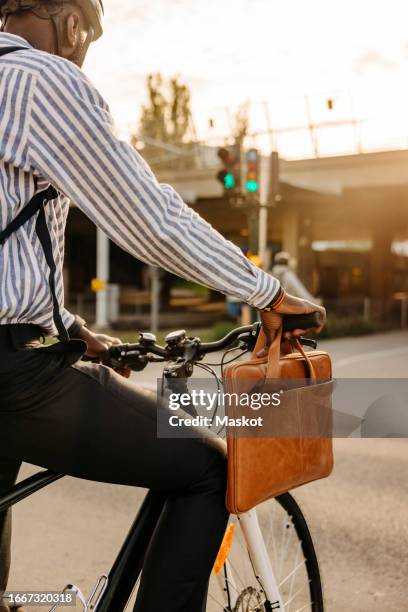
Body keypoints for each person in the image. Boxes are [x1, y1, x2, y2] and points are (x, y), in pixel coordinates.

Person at [0, 2, 326, 611]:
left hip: (22, 351)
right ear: (73, 24)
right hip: (13, 375)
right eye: (89, 37)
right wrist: (268, 292)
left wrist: (71, 329)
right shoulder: (40, 79)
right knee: (209, 467)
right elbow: (151, 219)